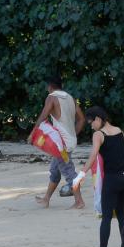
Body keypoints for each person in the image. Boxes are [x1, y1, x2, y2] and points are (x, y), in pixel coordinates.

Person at [79, 106, 124, 247]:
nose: (91, 126)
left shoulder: (98, 134)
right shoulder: (118, 130)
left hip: (113, 179)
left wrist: (82, 173)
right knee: (121, 211)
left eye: (91, 123)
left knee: (107, 215)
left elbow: (93, 155)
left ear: (98, 119)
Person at [29, 75, 86, 209]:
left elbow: (43, 117)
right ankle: (46, 199)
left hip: (61, 144)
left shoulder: (52, 97)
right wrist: (72, 134)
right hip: (69, 141)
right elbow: (82, 119)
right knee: (55, 170)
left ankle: (79, 201)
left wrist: (33, 133)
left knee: (68, 171)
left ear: (50, 86)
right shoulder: (70, 98)